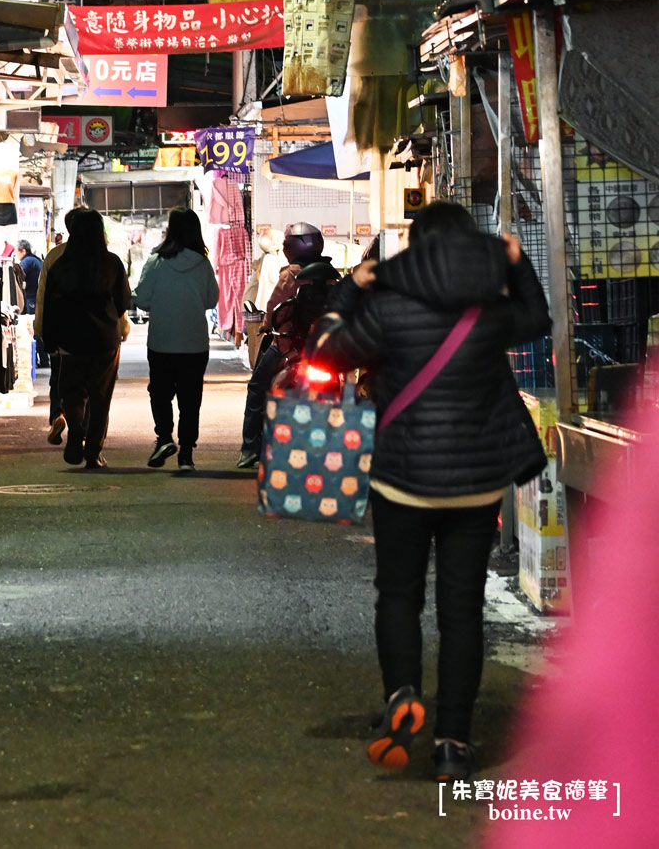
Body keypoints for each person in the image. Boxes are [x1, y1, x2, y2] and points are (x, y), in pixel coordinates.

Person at [308, 201, 550, 782]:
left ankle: (402, 696)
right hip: (474, 487)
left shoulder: (388, 307)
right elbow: (538, 318)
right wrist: (517, 263)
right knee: (462, 611)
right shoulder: (489, 309)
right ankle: (452, 745)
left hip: (402, 481)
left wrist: (351, 289)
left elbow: (324, 352)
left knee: (399, 596)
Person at [236, 222, 339, 469]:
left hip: (289, 346)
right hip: (325, 349)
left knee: (257, 386)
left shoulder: (291, 273)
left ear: (292, 247)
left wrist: (266, 325)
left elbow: (274, 306)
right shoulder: (332, 274)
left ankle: (250, 449)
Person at [40, 208, 131, 469]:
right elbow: (124, 300)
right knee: (100, 397)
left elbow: (50, 307)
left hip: (70, 341)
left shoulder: (60, 265)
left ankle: (76, 430)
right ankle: (92, 451)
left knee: (72, 393)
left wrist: (50, 340)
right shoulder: (112, 263)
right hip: (104, 340)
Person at [134, 207, 219, 472]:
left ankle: (164, 437)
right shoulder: (202, 264)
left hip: (162, 341)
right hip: (195, 343)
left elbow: (142, 299)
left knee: (159, 392)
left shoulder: (156, 262)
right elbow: (212, 300)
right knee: (191, 398)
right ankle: (186, 455)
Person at [34, 225, 71, 445]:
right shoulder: (101, 255)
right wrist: (122, 328)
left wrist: (40, 327)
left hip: (59, 329)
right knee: (88, 383)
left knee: (58, 377)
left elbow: (42, 296)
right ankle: (83, 430)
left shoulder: (54, 256)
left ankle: (58, 414)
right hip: (92, 333)